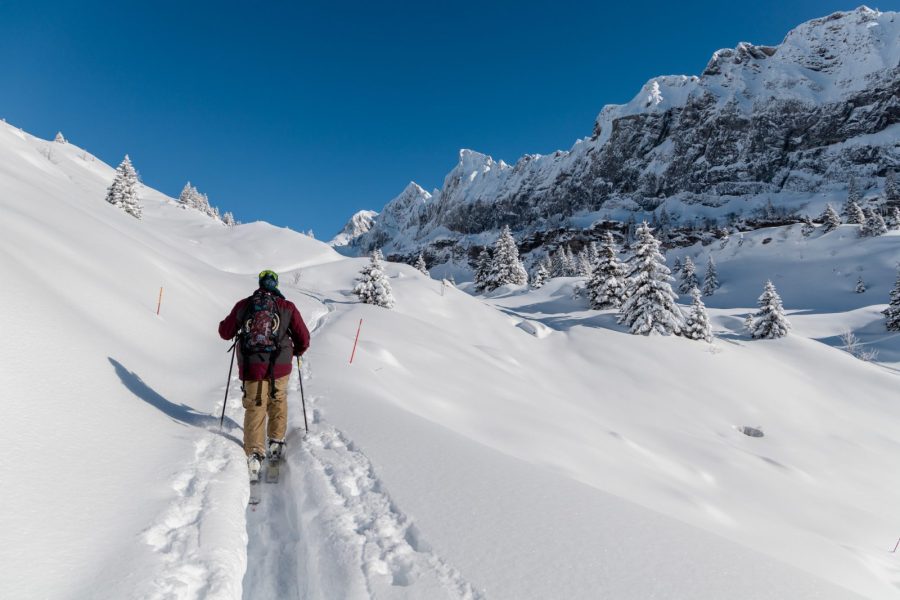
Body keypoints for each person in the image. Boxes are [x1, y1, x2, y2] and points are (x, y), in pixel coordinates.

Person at [218, 270, 310, 478]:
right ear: (276, 285)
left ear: (260, 284)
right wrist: (296, 351)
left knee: (255, 405)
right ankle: (276, 443)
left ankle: (254, 454)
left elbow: (225, 333)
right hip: (281, 365)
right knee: (277, 400)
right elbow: (303, 337)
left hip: (252, 365)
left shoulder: (245, 305)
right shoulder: (287, 307)